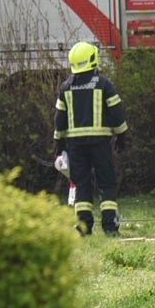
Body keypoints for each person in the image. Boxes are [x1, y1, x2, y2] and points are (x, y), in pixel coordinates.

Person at [52, 40, 128, 238]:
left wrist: (59, 143)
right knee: (106, 182)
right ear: (93, 60)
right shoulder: (103, 84)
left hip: (76, 146)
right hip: (100, 143)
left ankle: (84, 227)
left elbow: (59, 119)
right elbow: (117, 112)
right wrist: (121, 135)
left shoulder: (66, 87)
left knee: (81, 184)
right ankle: (110, 227)